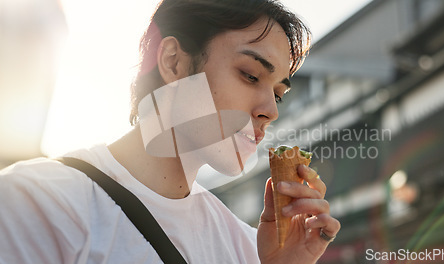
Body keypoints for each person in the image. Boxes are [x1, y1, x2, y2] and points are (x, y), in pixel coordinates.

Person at [0, 0, 341, 263]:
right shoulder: (40, 203)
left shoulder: (247, 245)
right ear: (174, 62)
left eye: (278, 93)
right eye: (251, 76)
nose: (271, 110)